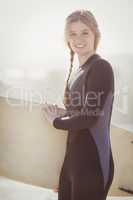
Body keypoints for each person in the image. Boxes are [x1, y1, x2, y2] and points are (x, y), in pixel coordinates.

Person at [42, 9, 115, 200]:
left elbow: (89, 117)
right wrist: (64, 112)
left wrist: (56, 122)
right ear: (67, 38)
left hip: (93, 166)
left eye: (85, 32)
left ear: (95, 35)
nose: (78, 38)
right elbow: (78, 116)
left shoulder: (101, 67)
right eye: (72, 33)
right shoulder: (77, 73)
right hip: (72, 165)